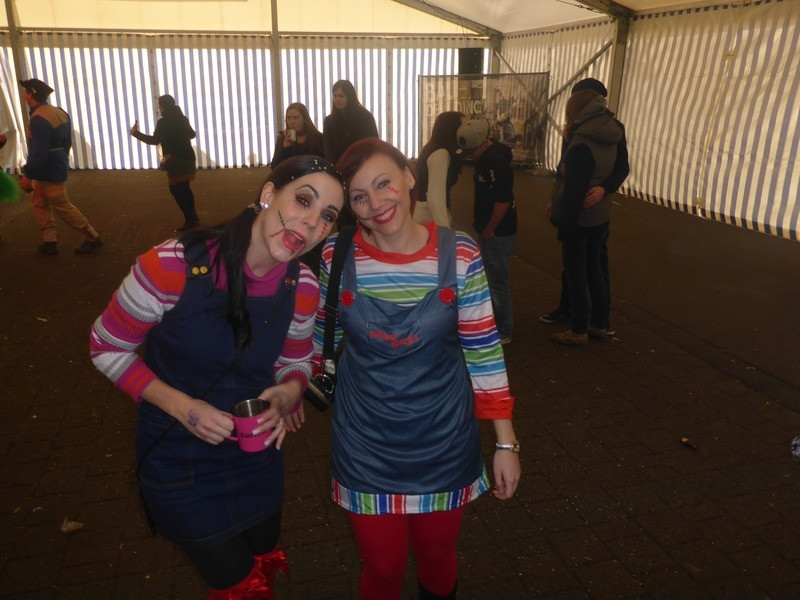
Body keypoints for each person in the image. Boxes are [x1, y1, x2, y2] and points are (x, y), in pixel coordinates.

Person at [89, 156, 345, 598]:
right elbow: (106, 346)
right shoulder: (171, 265)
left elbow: (297, 360)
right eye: (303, 200)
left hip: (257, 456)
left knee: (262, 559)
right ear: (268, 194)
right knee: (235, 580)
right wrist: (183, 408)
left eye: (327, 216)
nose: (312, 222)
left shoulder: (302, 284)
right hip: (178, 458)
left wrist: (289, 392)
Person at [316, 138, 520, 600]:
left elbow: (484, 350)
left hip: (443, 442)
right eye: (359, 196)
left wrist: (505, 443)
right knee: (383, 568)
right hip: (364, 444)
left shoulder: (460, 253)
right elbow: (317, 340)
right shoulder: (337, 257)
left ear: (409, 176)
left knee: (437, 557)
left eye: (384, 183)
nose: (376, 204)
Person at [540, 78, 629, 336]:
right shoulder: (596, 129)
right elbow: (567, 168)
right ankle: (595, 319)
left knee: (584, 266)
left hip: (584, 211)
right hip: (598, 211)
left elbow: (619, 167)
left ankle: (584, 323)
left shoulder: (586, 135)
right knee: (591, 265)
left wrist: (603, 188)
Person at [18, 78, 102, 256]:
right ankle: (49, 241)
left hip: (47, 169)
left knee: (61, 204)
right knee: (39, 202)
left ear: (31, 94)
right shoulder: (59, 112)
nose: (24, 93)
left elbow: (39, 150)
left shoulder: (38, 118)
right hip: (55, 165)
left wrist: (28, 175)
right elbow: (66, 143)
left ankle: (92, 237)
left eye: (26, 90)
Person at [457, 118, 517, 345]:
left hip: (498, 232)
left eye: (472, 151)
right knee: (492, 279)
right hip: (491, 230)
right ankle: (497, 324)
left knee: (497, 283)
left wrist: (490, 229)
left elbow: (503, 200)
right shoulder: (487, 159)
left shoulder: (494, 161)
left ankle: (504, 329)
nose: (470, 156)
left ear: (484, 143)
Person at [131, 94, 199, 231]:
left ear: (164, 107)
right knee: (185, 188)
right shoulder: (182, 118)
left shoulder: (163, 122)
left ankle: (190, 220)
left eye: (160, 106)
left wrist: (135, 133)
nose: (159, 108)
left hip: (176, 160)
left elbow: (154, 140)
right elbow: (192, 134)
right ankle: (194, 218)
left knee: (176, 190)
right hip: (188, 158)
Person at [322, 80, 378, 229]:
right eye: (335, 96)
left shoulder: (365, 118)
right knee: (345, 217)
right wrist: (335, 172)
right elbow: (328, 150)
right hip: (341, 173)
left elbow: (374, 145)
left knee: (366, 211)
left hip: (362, 170)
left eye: (341, 96)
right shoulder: (330, 121)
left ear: (350, 96)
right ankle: (347, 242)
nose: (337, 99)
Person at [413, 111, 465, 227]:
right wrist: (445, 228)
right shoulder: (441, 153)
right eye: (463, 127)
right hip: (427, 218)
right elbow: (435, 197)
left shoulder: (433, 148)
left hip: (424, 215)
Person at [270, 102, 324, 170]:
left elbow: (323, 163)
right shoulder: (282, 138)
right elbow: (274, 167)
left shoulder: (318, 138)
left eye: (296, 118)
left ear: (304, 119)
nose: (292, 122)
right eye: (288, 118)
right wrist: (284, 150)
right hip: (290, 175)